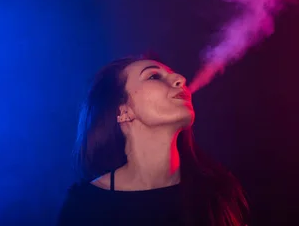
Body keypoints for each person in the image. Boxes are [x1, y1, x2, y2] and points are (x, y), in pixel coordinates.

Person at [57, 55, 249, 226]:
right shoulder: (86, 207)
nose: (180, 79)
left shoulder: (217, 192)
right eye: (153, 76)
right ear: (123, 112)